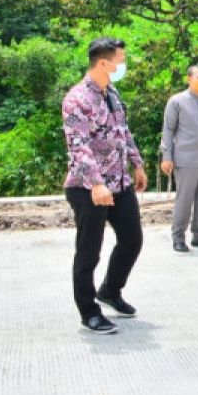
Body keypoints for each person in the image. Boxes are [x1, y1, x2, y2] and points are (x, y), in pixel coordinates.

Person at [62, 36, 148, 334]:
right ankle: (89, 312)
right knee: (89, 251)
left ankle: (110, 290)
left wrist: (136, 163)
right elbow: (78, 147)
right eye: (120, 62)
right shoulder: (76, 100)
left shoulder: (111, 92)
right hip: (88, 188)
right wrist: (97, 184)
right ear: (103, 63)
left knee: (132, 239)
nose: (123, 66)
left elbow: (123, 131)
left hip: (119, 182)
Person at [160, 64, 198, 253]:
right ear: (189, 79)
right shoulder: (177, 101)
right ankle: (178, 237)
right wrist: (166, 156)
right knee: (184, 200)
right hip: (186, 159)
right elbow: (168, 130)